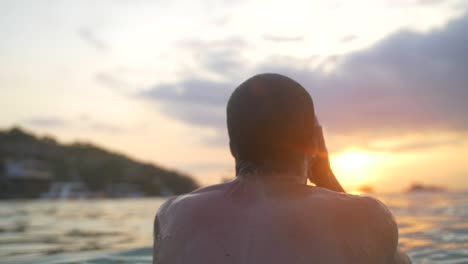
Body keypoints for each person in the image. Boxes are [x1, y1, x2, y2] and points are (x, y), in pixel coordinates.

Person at [153, 73, 411, 264]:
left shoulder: (173, 215)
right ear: (314, 143)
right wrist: (325, 175)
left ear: (233, 147)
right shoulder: (367, 215)